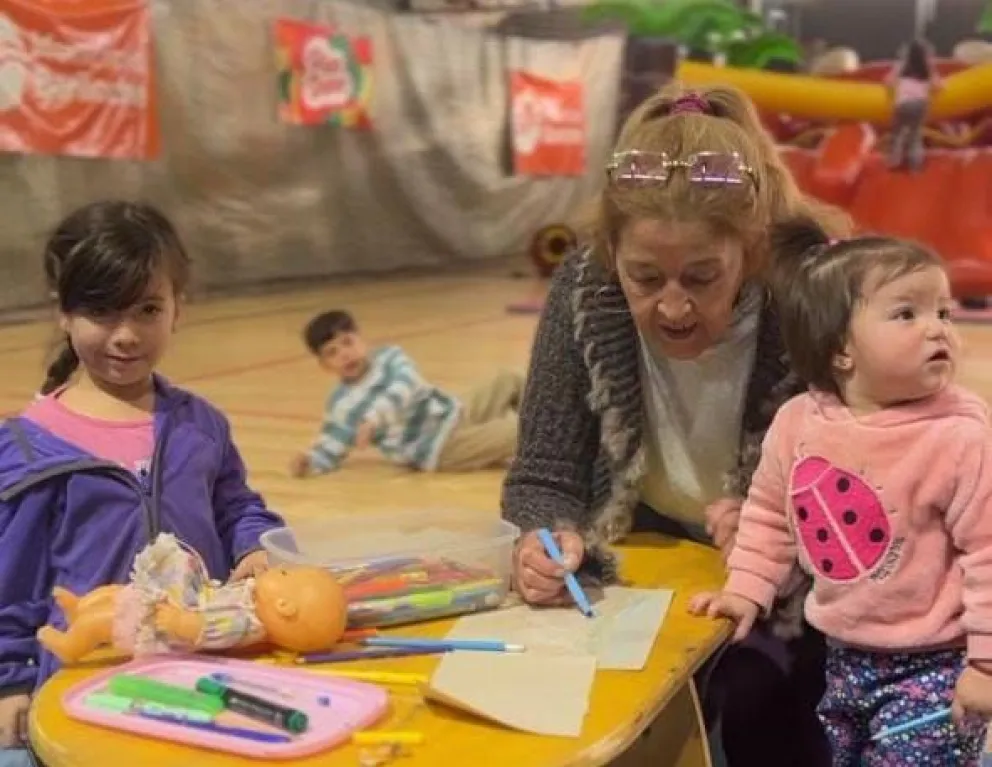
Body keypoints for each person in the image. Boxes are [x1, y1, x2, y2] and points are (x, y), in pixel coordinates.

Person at [501, 82, 849, 767]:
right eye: (644, 278)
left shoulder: (814, 293)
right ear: (610, 257)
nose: (673, 306)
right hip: (646, 558)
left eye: (701, 276)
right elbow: (544, 475)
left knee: (764, 709)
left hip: (792, 583)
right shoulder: (581, 287)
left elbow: (882, 483)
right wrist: (542, 540)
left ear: (751, 250)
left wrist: (782, 527)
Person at [690, 219, 992, 765]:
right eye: (907, 313)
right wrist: (746, 590)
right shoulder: (798, 423)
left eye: (943, 312)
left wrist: (986, 665)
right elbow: (767, 516)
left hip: (935, 665)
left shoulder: (961, 435)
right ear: (840, 352)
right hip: (844, 655)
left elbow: (989, 552)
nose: (937, 328)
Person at [0, 201, 284, 767]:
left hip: (203, 673)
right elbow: (11, 585)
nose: (126, 335)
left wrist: (256, 545)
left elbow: (237, 508)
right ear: (64, 312)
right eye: (102, 312)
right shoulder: (27, 450)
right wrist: (9, 680)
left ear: (179, 307)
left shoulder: (200, 425)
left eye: (148, 309)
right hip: (87, 688)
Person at [290, 310, 523, 476]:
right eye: (332, 352)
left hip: (452, 413)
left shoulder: (390, 357)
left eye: (347, 342)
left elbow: (407, 385)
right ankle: (551, 448)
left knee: (508, 379)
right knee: (520, 431)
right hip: (438, 447)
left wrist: (374, 419)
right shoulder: (342, 405)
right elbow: (332, 444)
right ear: (324, 365)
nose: (344, 354)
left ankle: (555, 427)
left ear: (361, 339)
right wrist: (310, 462)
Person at [885, 38, 942, 172]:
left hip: (903, 104)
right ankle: (915, 165)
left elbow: (888, 81)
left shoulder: (902, 66)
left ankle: (893, 162)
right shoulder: (927, 68)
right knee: (915, 136)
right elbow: (938, 86)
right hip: (920, 105)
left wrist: (894, 88)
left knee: (897, 133)